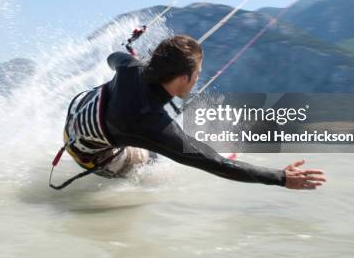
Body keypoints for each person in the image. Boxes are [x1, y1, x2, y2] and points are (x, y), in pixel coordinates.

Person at [56, 35, 326, 190]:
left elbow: (113, 56)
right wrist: (281, 178)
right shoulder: (151, 124)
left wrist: (132, 53)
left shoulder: (130, 67)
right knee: (150, 161)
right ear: (184, 78)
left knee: (160, 146)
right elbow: (216, 165)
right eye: (197, 73)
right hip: (90, 155)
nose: (198, 78)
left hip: (73, 122)